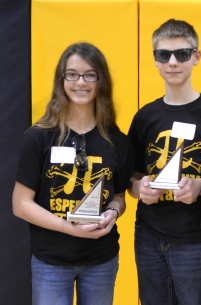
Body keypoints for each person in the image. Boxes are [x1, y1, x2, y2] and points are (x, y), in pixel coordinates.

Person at [12, 42, 134, 305]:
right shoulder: (38, 137)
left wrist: (113, 212)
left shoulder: (118, 142)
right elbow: (21, 204)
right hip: (51, 261)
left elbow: (119, 197)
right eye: (72, 74)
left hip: (101, 259)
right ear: (61, 79)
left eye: (90, 74)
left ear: (101, 81)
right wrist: (69, 228)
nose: (81, 82)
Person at [127, 19, 201, 305]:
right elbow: (131, 179)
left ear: (196, 57)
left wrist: (200, 186)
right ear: (155, 59)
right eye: (164, 55)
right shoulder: (144, 117)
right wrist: (142, 189)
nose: (173, 62)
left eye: (182, 54)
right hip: (148, 237)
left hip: (197, 239)